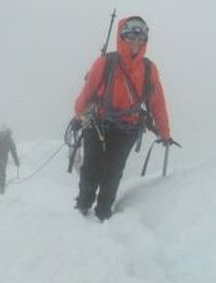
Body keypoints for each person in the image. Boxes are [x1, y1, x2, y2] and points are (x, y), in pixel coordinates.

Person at [72, 16, 173, 220]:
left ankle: (103, 212)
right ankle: (83, 206)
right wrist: (79, 113)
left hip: (126, 129)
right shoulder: (105, 63)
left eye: (140, 36)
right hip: (98, 124)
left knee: (113, 171)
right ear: (122, 37)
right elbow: (87, 92)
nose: (135, 41)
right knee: (91, 166)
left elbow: (157, 103)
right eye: (130, 36)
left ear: (145, 39)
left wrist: (164, 132)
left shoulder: (148, 69)